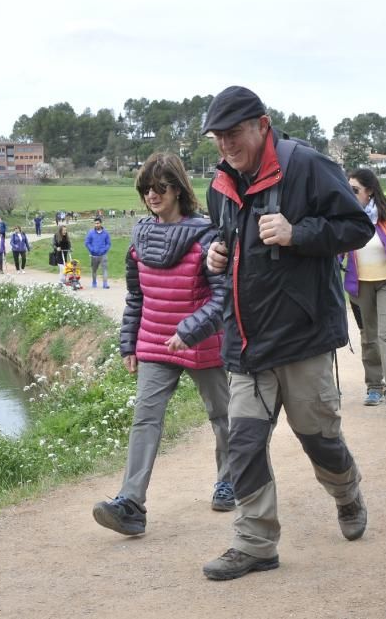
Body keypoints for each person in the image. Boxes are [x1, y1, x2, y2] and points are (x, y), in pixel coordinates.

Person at [201, 86, 373, 581]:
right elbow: (227, 237)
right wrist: (218, 250)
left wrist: (299, 234)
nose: (226, 146)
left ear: (262, 123)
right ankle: (255, 543)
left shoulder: (307, 166)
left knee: (320, 440)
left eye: (233, 134)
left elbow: (355, 227)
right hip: (247, 343)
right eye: (218, 137)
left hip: (302, 337)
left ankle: (347, 493)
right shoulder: (220, 184)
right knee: (245, 444)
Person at [92, 153, 232, 537]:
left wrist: (191, 330)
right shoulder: (139, 238)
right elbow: (135, 298)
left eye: (160, 188)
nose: (152, 195)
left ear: (178, 189)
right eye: (146, 189)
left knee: (223, 417)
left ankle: (230, 479)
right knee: (145, 419)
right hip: (155, 342)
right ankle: (131, 504)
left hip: (201, 342)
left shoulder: (206, 237)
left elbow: (223, 298)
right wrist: (128, 344)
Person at [341, 168, 386, 414]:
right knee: (369, 337)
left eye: (355, 190)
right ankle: (374, 385)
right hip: (359, 285)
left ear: (369, 191)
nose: (350, 195)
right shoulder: (346, 216)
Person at [84, 216, 111, 288]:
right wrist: (91, 250)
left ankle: (105, 284)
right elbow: (87, 242)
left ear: (101, 224)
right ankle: (94, 282)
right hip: (94, 255)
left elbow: (108, 243)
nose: (96, 225)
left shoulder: (106, 233)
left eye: (98, 223)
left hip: (103, 255)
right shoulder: (91, 233)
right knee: (94, 270)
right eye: (95, 223)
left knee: (104, 269)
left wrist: (105, 250)